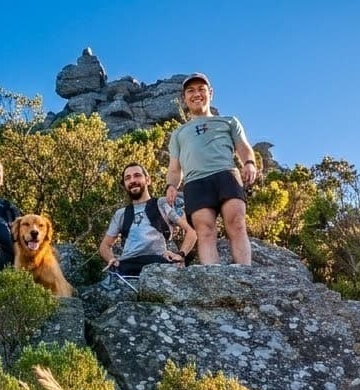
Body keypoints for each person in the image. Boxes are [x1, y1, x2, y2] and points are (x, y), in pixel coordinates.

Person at [166, 72, 257, 265]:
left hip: (226, 175)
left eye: (201, 89)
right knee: (205, 231)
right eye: (190, 91)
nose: (196, 94)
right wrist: (171, 186)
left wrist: (249, 163)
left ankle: (245, 275)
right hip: (195, 183)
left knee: (237, 224)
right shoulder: (178, 133)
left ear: (211, 93)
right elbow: (174, 168)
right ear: (184, 98)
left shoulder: (229, 121)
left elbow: (244, 147)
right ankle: (213, 280)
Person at [99, 163, 196, 276]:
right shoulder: (121, 214)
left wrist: (180, 254)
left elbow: (192, 231)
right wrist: (111, 259)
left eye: (137, 175)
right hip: (127, 266)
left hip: (158, 264)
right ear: (124, 184)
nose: (132, 180)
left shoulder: (164, 204)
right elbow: (104, 246)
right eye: (127, 178)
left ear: (148, 180)